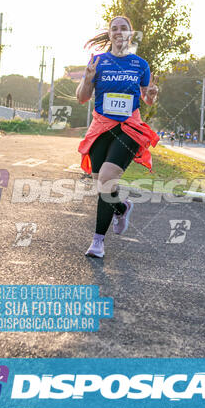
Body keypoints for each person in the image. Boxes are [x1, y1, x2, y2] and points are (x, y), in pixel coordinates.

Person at [76, 16, 159, 258]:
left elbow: (147, 99)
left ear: (131, 34)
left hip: (129, 128)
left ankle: (98, 242)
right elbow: (82, 97)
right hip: (101, 126)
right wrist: (89, 78)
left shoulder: (140, 65)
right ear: (110, 34)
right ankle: (121, 208)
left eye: (124, 28)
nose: (119, 32)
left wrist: (152, 95)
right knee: (100, 183)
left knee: (107, 178)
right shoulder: (97, 61)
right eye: (114, 29)